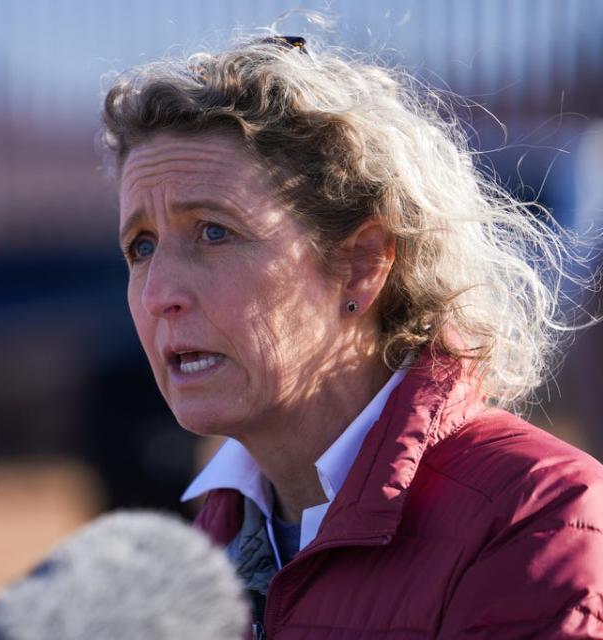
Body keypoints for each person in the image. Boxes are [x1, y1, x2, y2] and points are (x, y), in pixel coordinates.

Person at [101, 34, 603, 638]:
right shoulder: (222, 533)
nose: (159, 294)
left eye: (214, 233)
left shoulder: (534, 517)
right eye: (142, 247)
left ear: (363, 262)